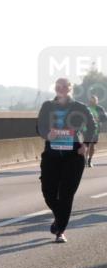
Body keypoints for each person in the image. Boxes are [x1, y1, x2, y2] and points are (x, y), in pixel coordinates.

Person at [36, 78, 97, 242]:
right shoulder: (47, 106)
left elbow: (92, 126)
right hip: (51, 155)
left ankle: (60, 230)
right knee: (48, 192)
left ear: (70, 88)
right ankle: (59, 218)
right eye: (58, 86)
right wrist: (47, 134)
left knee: (66, 195)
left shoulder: (80, 107)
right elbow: (39, 126)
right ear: (55, 88)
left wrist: (85, 145)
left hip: (73, 156)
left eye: (65, 86)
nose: (61, 89)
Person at [86, 94, 106, 167]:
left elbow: (104, 118)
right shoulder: (86, 108)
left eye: (94, 101)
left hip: (95, 130)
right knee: (86, 145)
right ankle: (85, 160)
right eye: (91, 101)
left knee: (91, 146)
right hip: (86, 130)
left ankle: (89, 160)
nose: (93, 102)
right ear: (89, 101)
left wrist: (98, 119)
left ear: (97, 101)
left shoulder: (99, 109)